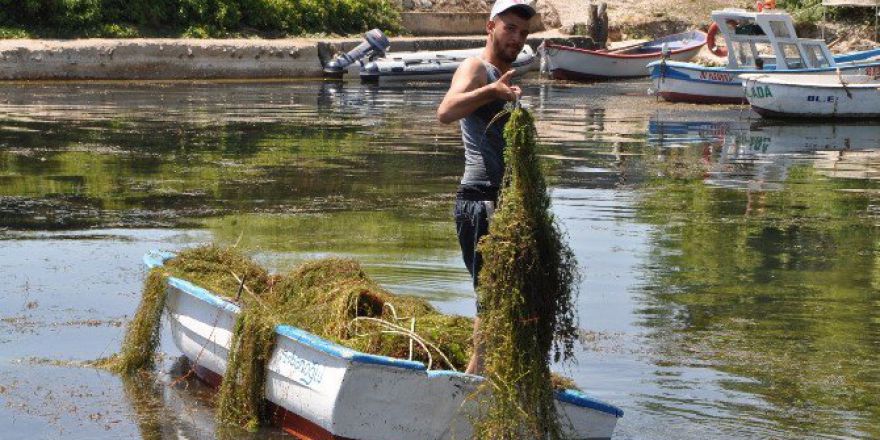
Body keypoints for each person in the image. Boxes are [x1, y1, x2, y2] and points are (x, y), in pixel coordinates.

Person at [436, 0, 535, 375]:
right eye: (510, 28)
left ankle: (495, 374)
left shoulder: (502, 78)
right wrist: (491, 91)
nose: (517, 38)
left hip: (501, 201)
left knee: (511, 296)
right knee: (493, 298)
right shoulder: (476, 68)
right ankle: (474, 381)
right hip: (480, 200)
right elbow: (446, 111)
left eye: (523, 33)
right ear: (490, 27)